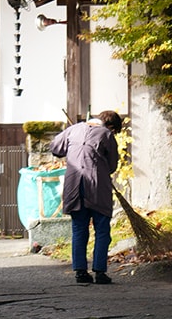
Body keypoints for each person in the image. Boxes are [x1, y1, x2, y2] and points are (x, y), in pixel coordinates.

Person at [49, 110, 123, 285]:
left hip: (74, 186)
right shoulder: (106, 134)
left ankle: (80, 272)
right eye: (114, 130)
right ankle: (100, 272)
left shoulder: (73, 129)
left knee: (79, 229)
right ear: (111, 126)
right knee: (102, 230)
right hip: (98, 187)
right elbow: (112, 165)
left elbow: (55, 148)